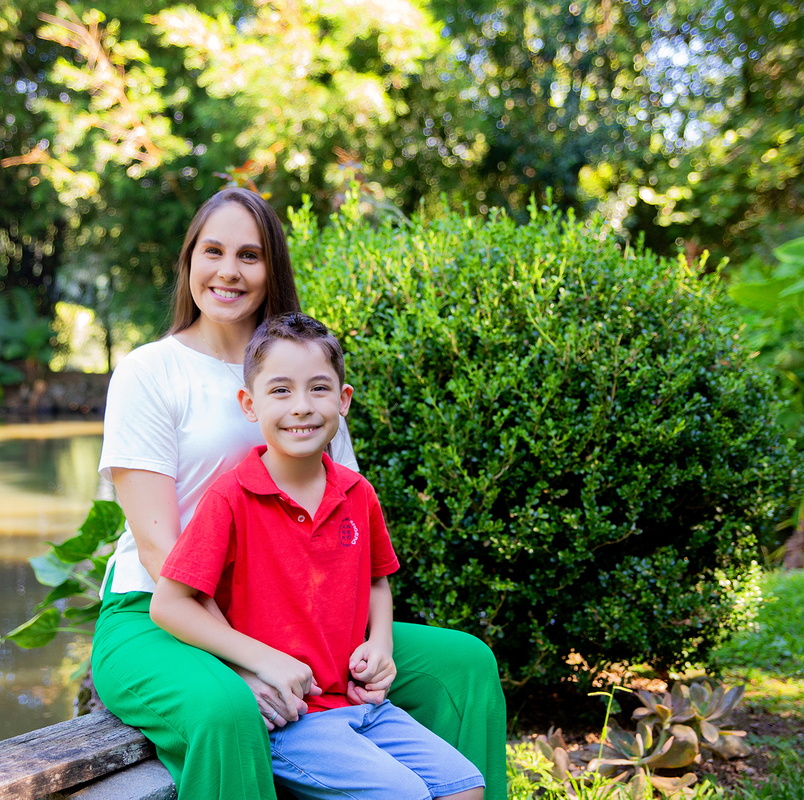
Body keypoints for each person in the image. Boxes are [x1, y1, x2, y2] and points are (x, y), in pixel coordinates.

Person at [91, 187, 506, 799]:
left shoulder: (300, 369)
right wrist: (244, 659)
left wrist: (375, 644)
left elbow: (345, 514)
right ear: (188, 262)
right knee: (227, 709)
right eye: (213, 251)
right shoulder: (150, 372)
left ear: (271, 269)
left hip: (294, 611)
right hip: (160, 616)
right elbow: (162, 556)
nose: (228, 271)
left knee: (462, 665)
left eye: (250, 255)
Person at [150, 312, 486, 800]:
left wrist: (383, 644)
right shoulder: (230, 499)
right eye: (281, 391)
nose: (302, 407)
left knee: (465, 788)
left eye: (319, 389)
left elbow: (377, 581)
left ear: (343, 400)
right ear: (249, 404)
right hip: (292, 718)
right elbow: (168, 603)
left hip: (362, 707)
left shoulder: (357, 493)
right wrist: (261, 661)